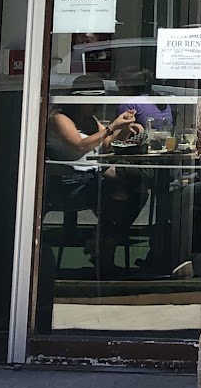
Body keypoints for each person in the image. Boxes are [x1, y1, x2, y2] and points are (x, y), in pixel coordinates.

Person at [46, 105, 147, 275]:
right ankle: (102, 247)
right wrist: (111, 128)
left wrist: (123, 129)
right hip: (69, 183)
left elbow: (107, 146)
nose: (98, 106)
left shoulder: (90, 120)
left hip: (90, 177)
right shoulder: (60, 119)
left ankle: (100, 243)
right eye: (93, 102)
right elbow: (79, 147)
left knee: (136, 192)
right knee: (124, 193)